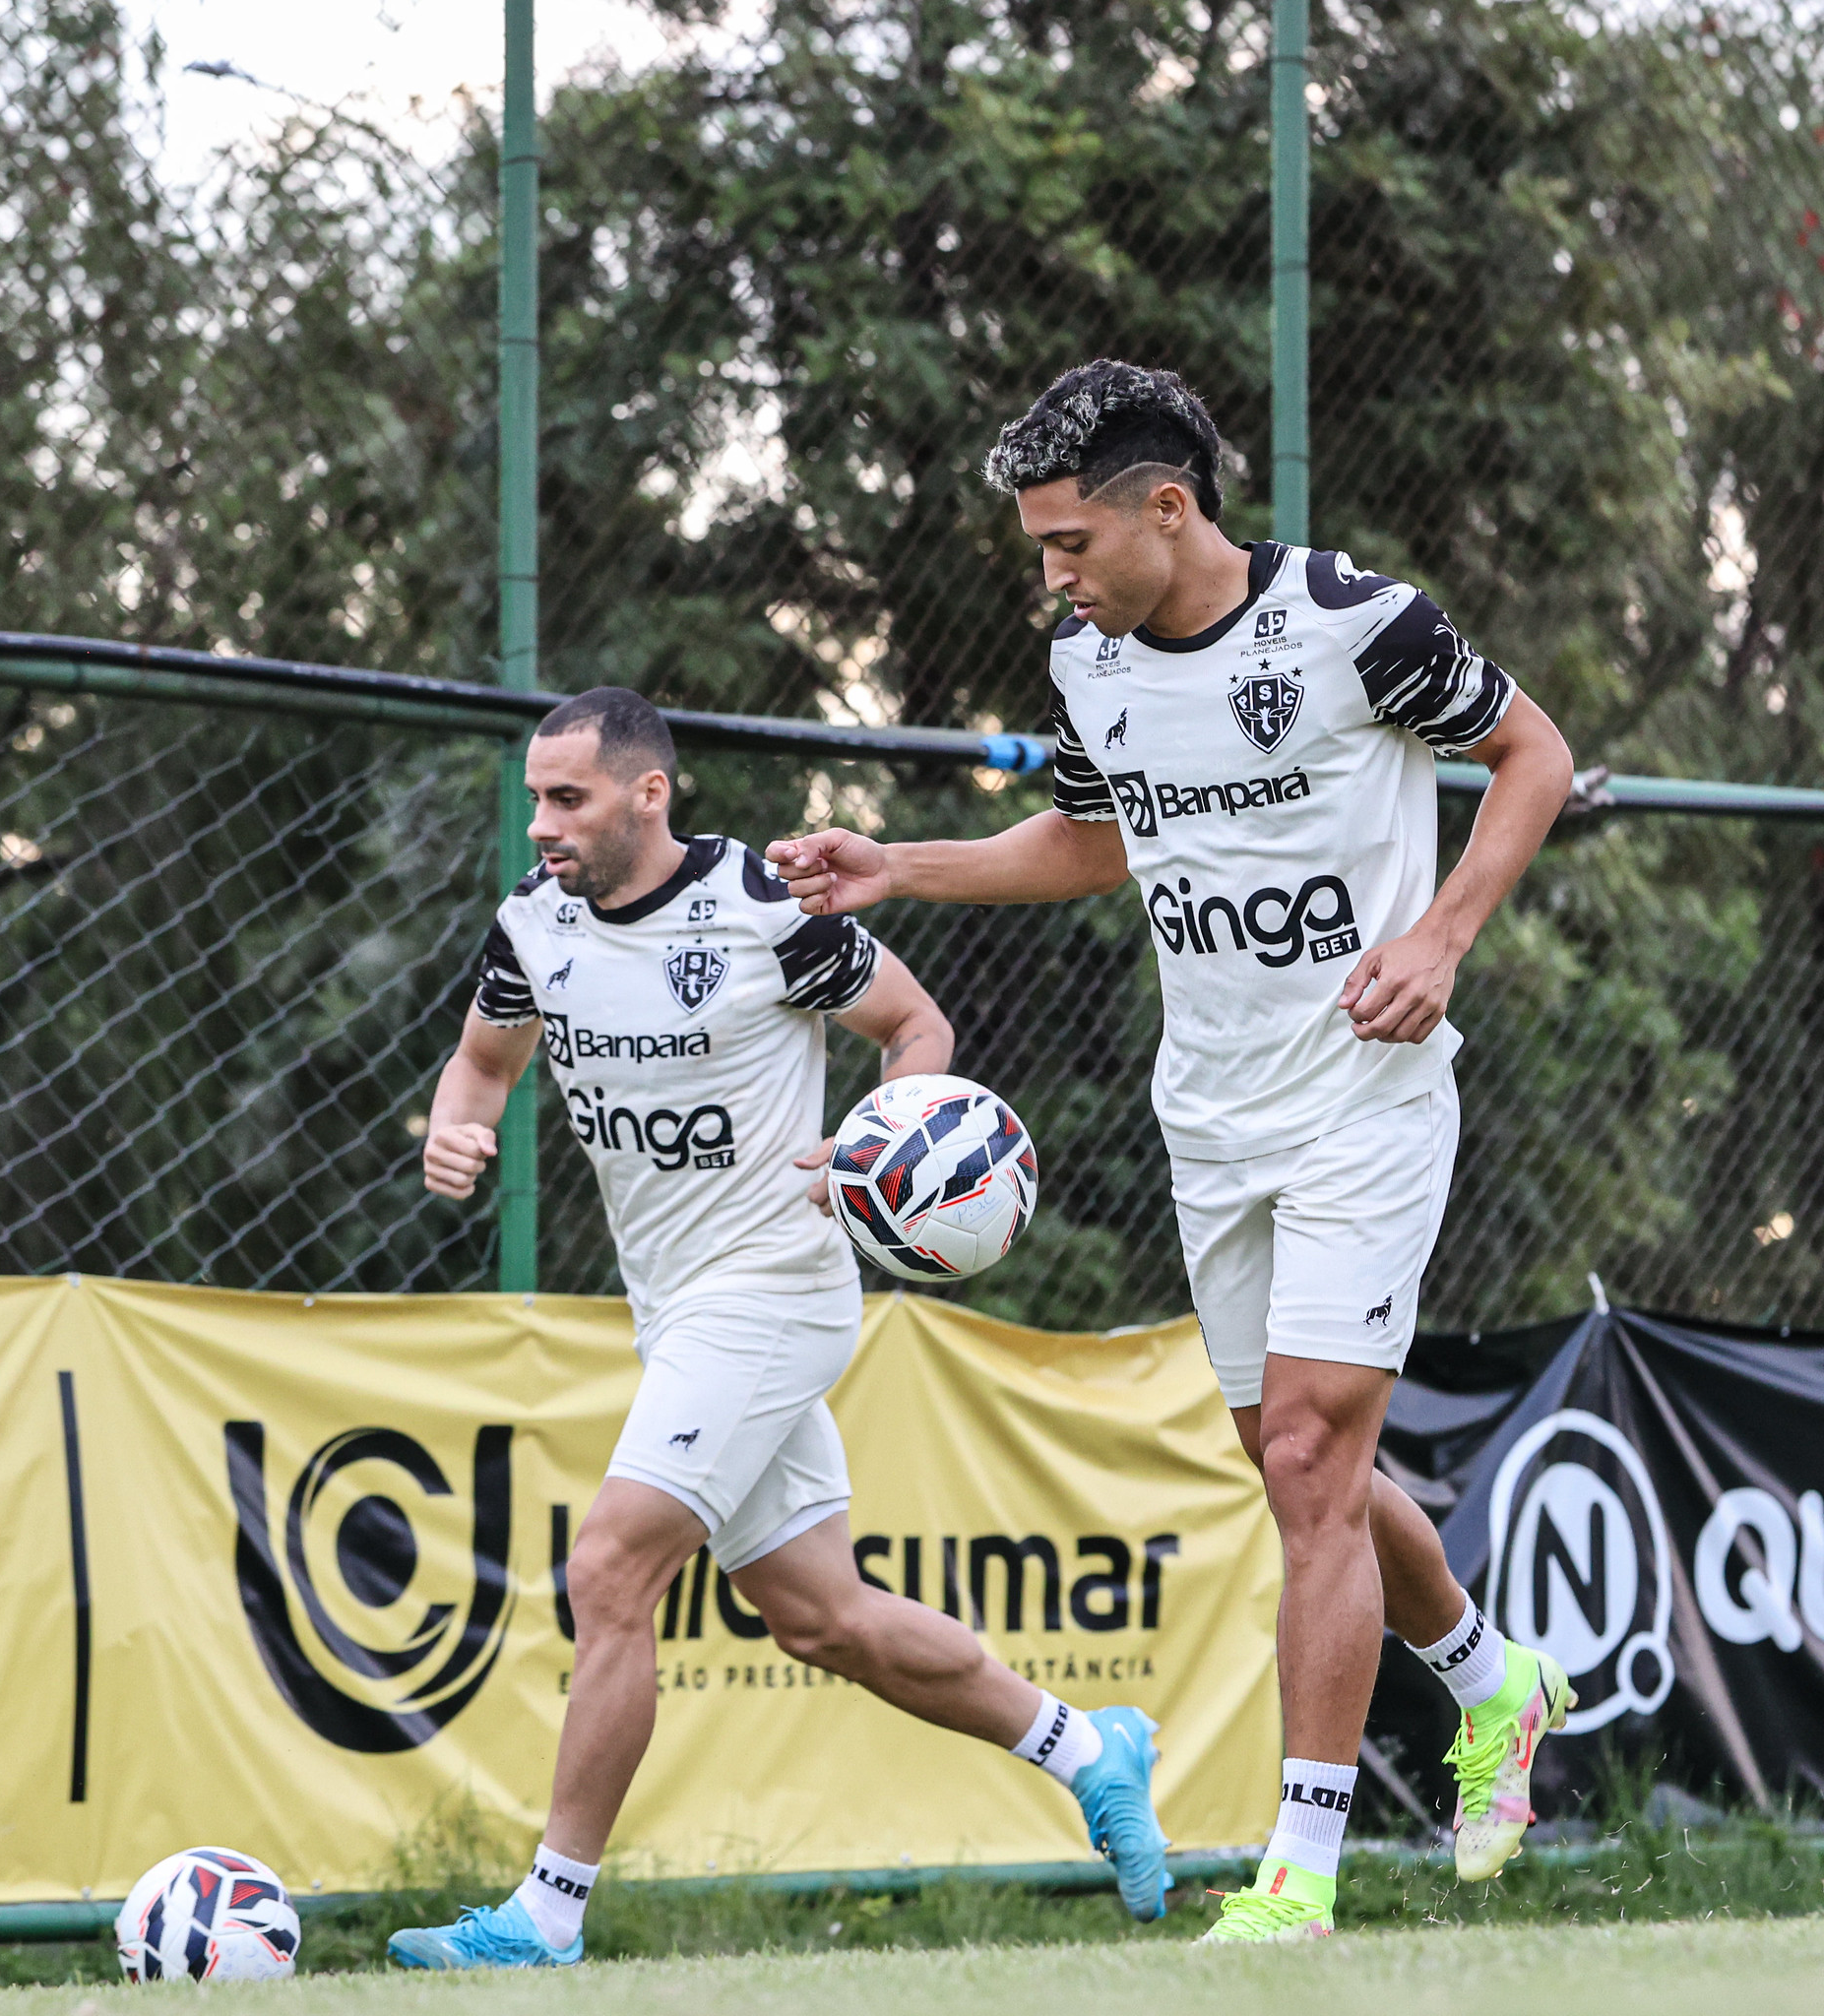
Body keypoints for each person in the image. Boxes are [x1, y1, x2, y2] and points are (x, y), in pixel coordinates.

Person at [769, 362, 1580, 1943]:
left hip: (1367, 1095)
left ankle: (1300, 1872)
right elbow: (1091, 839)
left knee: (1306, 1466)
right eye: (1040, 550)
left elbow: (1534, 756)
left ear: (1171, 505)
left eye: (1071, 543)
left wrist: (1443, 936)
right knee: (1300, 1478)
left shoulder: (1356, 621)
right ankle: (1497, 1681)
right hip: (1209, 1118)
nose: (1052, 578)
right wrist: (904, 864)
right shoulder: (1097, 663)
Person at [388, 686, 1168, 1972]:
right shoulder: (532, 926)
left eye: (567, 798)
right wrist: (454, 1125)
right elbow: (483, 1060)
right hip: (674, 1311)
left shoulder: (763, 909)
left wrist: (876, 1150)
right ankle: (1090, 1748)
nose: (542, 824)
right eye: (535, 797)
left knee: (608, 1571)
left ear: (651, 794)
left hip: (776, 1292)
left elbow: (918, 1028)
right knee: (823, 1619)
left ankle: (545, 1915)